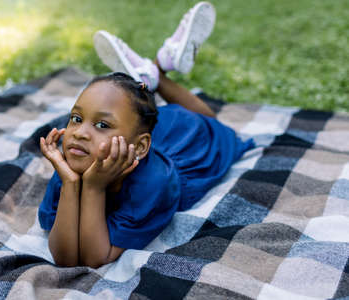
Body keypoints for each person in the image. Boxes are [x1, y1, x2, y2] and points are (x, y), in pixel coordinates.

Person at [38, 2, 254, 268]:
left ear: (140, 148)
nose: (80, 133)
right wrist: (71, 183)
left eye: (102, 125)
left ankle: (156, 75)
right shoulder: (71, 166)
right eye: (76, 118)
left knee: (211, 124)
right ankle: (151, 73)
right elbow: (65, 258)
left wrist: (92, 187)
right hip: (145, 137)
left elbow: (95, 258)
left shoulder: (153, 184)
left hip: (183, 140)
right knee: (142, 119)